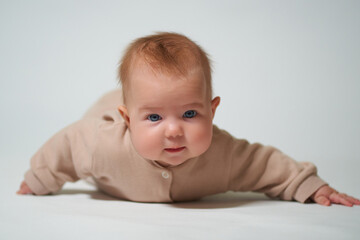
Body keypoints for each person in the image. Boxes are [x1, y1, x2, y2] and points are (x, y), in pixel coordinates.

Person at [17, 32, 360, 207]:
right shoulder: (103, 144)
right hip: (105, 111)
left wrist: (308, 186)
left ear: (212, 111)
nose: (174, 130)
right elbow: (68, 145)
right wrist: (40, 178)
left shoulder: (222, 154)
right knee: (111, 112)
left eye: (191, 114)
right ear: (128, 121)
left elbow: (264, 164)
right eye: (154, 117)